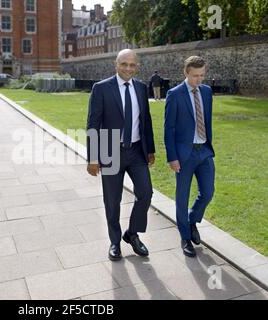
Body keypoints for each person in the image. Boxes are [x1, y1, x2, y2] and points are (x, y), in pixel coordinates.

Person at [86, 49, 156, 261]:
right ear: (116, 64)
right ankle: (115, 242)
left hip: (136, 151)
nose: (128, 68)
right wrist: (93, 157)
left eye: (132, 65)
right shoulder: (101, 88)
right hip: (111, 152)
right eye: (124, 64)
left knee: (145, 193)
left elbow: (146, 121)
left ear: (137, 66)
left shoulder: (142, 88)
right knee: (112, 200)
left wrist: (150, 149)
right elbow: (93, 124)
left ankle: (132, 234)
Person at [164, 56, 215, 258]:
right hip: (183, 155)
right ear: (186, 73)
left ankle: (192, 219)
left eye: (202, 75)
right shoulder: (174, 94)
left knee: (208, 191)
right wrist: (172, 157)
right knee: (182, 197)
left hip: (204, 150)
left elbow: (206, 120)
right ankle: (185, 237)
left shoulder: (207, 92)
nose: (199, 80)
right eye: (195, 76)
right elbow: (169, 128)